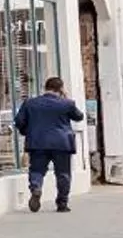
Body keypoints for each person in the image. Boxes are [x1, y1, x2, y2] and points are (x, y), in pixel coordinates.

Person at [14, 74, 84, 212]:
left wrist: (27, 131)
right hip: (62, 144)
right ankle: (62, 204)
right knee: (63, 174)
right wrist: (66, 98)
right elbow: (79, 117)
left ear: (45, 88)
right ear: (61, 89)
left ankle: (36, 187)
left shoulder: (30, 103)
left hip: (37, 142)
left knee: (37, 170)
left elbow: (19, 121)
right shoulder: (67, 104)